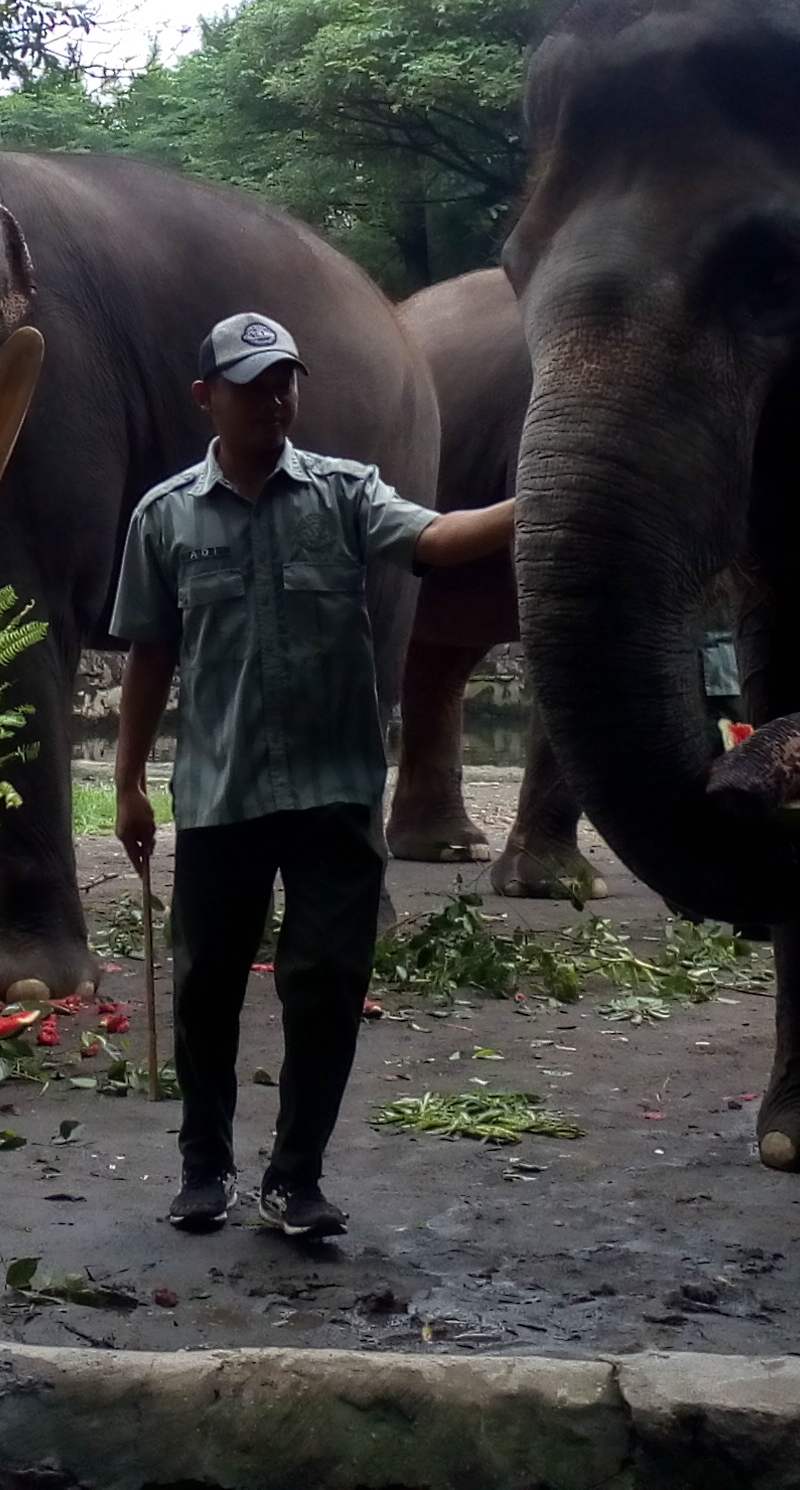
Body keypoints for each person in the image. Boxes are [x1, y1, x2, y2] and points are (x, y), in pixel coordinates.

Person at [111, 312, 518, 1241]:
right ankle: (203, 1168)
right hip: (220, 794)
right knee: (208, 984)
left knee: (327, 981)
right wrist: (130, 782)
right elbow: (148, 656)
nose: (276, 397)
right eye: (254, 383)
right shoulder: (166, 517)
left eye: (287, 379)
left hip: (335, 793)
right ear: (206, 396)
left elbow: (440, 539)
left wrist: (533, 501)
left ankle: (297, 1178)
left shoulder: (344, 495)